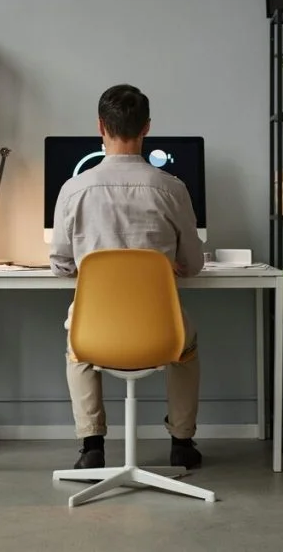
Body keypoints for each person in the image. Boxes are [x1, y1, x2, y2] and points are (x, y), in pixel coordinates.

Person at [49, 84, 205, 470]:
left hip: (98, 332)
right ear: (146, 128)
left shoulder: (73, 190)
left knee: (77, 343)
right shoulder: (172, 188)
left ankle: (92, 445)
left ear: (100, 126)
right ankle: (182, 443)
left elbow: (60, 265)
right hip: (160, 332)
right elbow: (194, 264)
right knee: (187, 345)